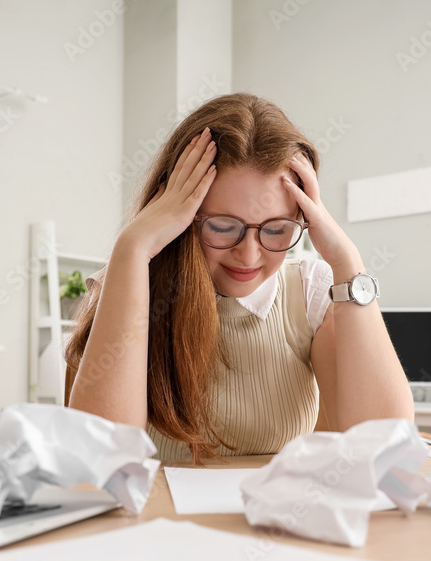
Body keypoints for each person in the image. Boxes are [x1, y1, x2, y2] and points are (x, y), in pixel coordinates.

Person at [65, 93, 413, 463]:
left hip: (270, 518)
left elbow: (387, 448)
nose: (249, 255)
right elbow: (98, 461)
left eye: (276, 229)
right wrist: (132, 247)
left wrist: (347, 261)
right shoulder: (128, 282)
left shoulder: (311, 292)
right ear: (178, 213)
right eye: (222, 226)